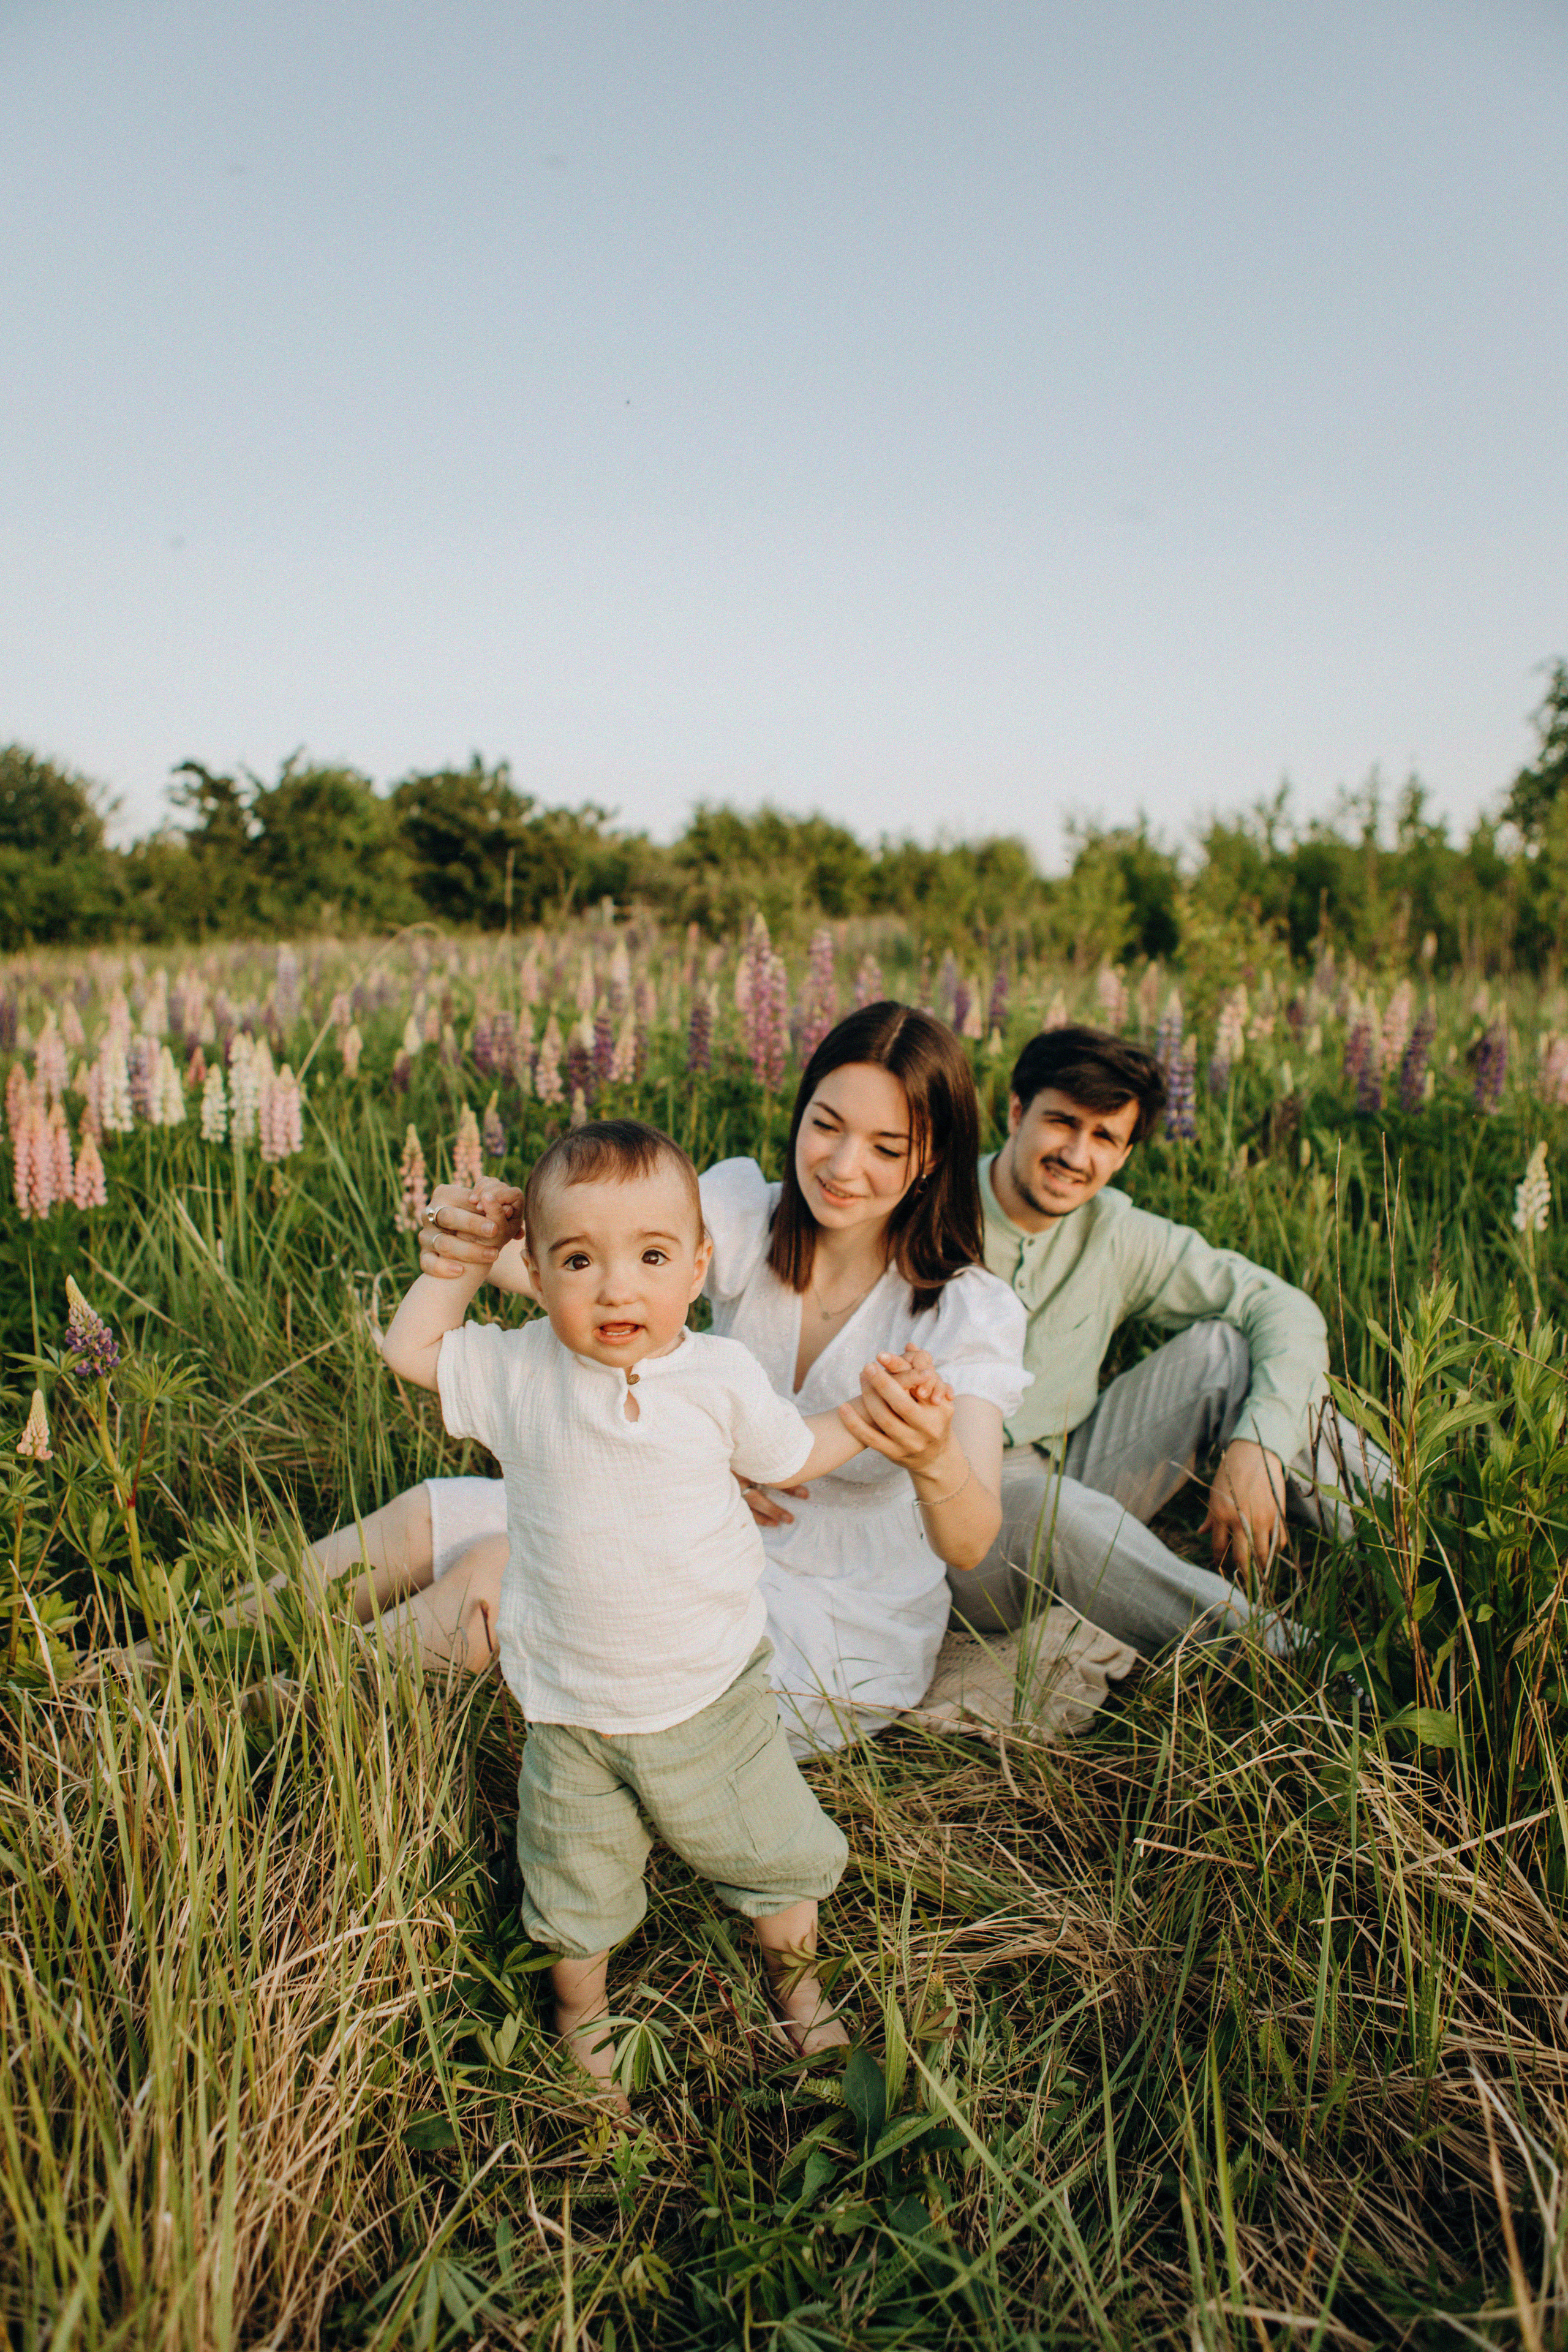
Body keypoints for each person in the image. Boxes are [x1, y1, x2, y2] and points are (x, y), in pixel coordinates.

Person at [380, 1115, 950, 2095]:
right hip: (572, 1709)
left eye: (650, 1257)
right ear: (537, 1273)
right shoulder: (521, 1370)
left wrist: (863, 1417)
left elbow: (791, 1455)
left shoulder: (719, 1378)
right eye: (578, 1260)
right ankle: (582, 2018)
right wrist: (464, 1261)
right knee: (574, 1890)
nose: (617, 1288)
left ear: (696, 1269)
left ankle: (800, 1988)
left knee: (774, 1856)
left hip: (711, 1698)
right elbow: (411, 1348)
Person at [315, 1003, 1030, 1751]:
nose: (844, 1166)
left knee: (501, 1568)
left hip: (830, 1612)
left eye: (887, 1147)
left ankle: (291, 1718)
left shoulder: (968, 1311)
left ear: (931, 1157)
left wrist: (931, 1455)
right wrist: (468, 1221)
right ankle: (231, 1635)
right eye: (827, 1125)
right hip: (675, 1518)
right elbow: (577, 1275)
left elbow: (970, 1542)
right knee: (430, 1516)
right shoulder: (749, 1214)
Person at [952, 1024, 1387, 1654]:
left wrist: (1260, 1442)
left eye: (1104, 1137)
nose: (1076, 1155)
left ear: (1125, 1155)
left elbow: (1282, 1307)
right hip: (950, 1528)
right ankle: (1296, 1660)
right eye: (1062, 1122)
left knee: (1224, 1354)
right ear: (1017, 1112)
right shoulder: (931, 1210)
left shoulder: (1115, 1233)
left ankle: (1421, 1560)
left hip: (1071, 1470)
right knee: (1054, 1510)